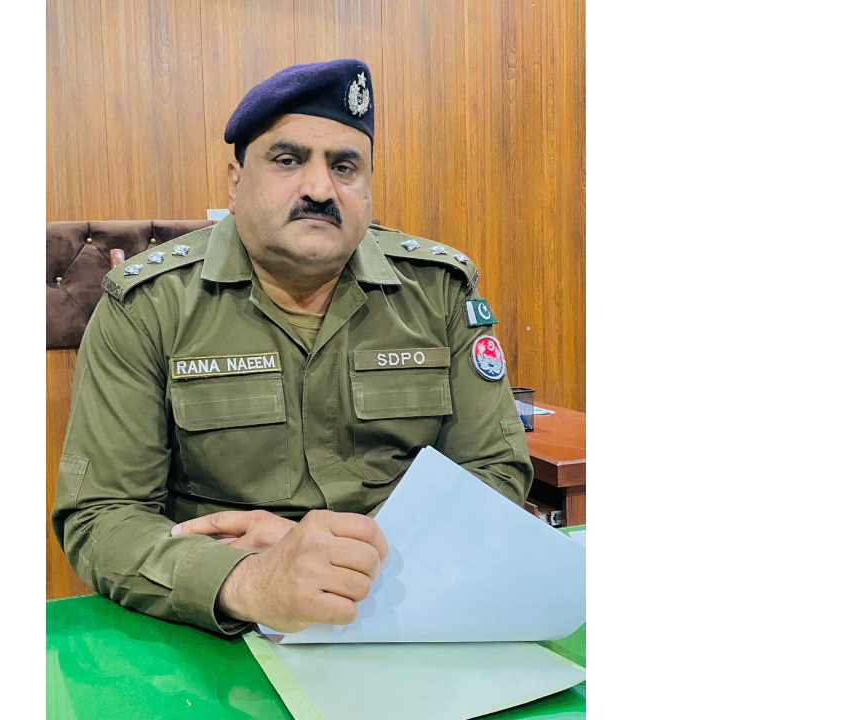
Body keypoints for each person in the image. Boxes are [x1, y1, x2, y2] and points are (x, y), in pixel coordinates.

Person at [52, 59, 532, 635]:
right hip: (221, 625)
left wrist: (352, 560)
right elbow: (101, 516)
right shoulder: (149, 304)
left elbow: (493, 470)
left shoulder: (440, 291)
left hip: (406, 604)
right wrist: (251, 580)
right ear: (236, 183)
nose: (319, 189)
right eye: (288, 160)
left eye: (345, 167)